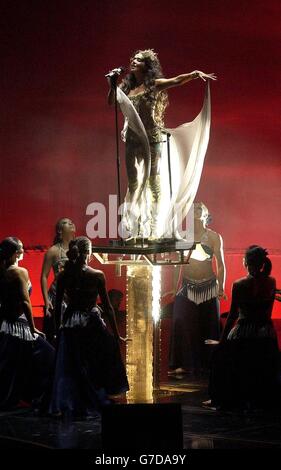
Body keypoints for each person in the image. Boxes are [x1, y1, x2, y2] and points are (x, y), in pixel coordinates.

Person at [107, 49, 216, 239]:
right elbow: (112, 102)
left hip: (152, 139)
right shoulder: (125, 88)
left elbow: (175, 81)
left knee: (152, 181)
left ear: (146, 66)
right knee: (133, 184)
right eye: (133, 59)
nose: (133, 61)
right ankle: (136, 226)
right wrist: (112, 84)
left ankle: (156, 225)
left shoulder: (153, 86)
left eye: (139, 60)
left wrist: (194, 74)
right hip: (133, 139)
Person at [49, 237, 129, 418]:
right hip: (91, 323)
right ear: (89, 253)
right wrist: (116, 335)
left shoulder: (63, 276)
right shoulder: (97, 274)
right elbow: (108, 307)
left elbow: (58, 306)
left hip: (70, 324)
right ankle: (96, 395)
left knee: (73, 365)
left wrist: (57, 331)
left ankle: (75, 400)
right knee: (95, 362)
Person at [204, 245, 280, 411]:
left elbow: (232, 316)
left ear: (245, 262)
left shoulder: (239, 284)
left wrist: (222, 341)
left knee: (221, 360)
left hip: (243, 333)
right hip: (265, 332)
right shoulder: (271, 282)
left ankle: (221, 399)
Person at [168, 202, 226, 376]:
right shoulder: (182, 237)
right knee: (181, 321)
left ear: (206, 214)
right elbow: (177, 264)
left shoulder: (215, 237)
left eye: (199, 208)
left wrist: (221, 287)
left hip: (209, 285)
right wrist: (173, 288)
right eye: (193, 208)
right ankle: (182, 364)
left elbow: (221, 265)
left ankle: (210, 365)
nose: (196, 210)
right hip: (187, 285)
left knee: (210, 325)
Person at [0, 237, 55, 411]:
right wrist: (33, 328)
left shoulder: (2, 271)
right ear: (16, 252)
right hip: (19, 326)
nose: (24, 251)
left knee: (12, 365)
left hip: (5, 324)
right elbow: (25, 302)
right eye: (22, 248)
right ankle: (39, 398)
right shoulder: (19, 272)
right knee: (49, 357)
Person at [41, 217, 76, 344]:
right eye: (67, 222)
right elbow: (44, 276)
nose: (71, 223)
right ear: (60, 231)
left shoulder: (79, 249)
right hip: (57, 297)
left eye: (71, 221)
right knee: (56, 334)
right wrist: (46, 300)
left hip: (73, 297)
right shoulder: (53, 251)